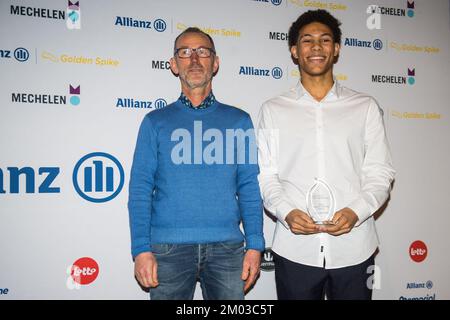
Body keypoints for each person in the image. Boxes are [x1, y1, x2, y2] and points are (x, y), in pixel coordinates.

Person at [257, 10, 395, 300]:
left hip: (355, 249)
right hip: (295, 250)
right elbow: (266, 176)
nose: (316, 47)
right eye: (307, 41)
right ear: (295, 51)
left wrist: (356, 212)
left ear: (337, 49)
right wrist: (287, 212)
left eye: (325, 39)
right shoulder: (273, 110)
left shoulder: (365, 106)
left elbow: (380, 173)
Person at [128, 27, 264, 300]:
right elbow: (140, 190)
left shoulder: (239, 121)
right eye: (185, 52)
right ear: (173, 65)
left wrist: (255, 245)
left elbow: (249, 187)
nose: (194, 59)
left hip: (227, 250)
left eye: (202, 52)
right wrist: (141, 249)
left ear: (215, 63)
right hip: (167, 251)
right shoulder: (155, 122)